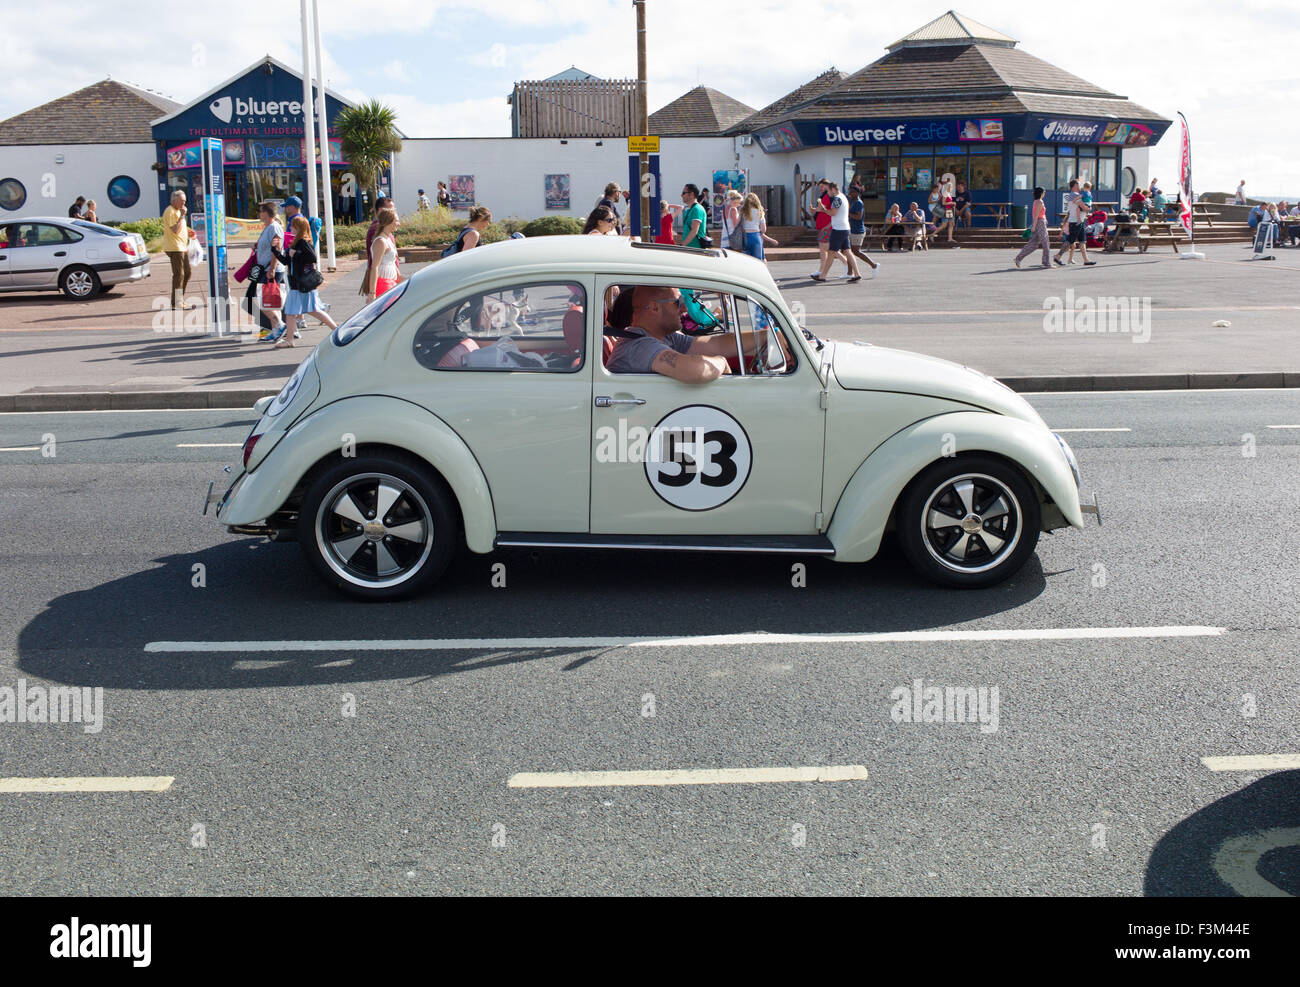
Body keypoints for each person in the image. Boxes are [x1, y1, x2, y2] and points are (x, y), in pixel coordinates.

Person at [606, 285, 771, 381]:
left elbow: (715, 344)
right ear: (655, 308)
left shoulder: (664, 336)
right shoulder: (639, 346)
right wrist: (721, 361)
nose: (684, 308)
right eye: (678, 302)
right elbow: (696, 369)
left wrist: (767, 336)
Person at [270, 215, 338, 348]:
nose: (291, 227)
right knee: (293, 311)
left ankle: (336, 330)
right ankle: (290, 339)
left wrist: (295, 254)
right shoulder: (297, 242)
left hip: (302, 284)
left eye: (293, 225)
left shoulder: (302, 242)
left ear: (299, 227)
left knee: (310, 310)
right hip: (298, 284)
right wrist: (275, 250)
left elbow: (312, 257)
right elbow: (286, 261)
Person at [810, 182, 860, 283]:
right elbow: (836, 214)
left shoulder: (837, 199)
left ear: (833, 189)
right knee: (847, 251)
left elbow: (833, 213)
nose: (827, 192)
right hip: (845, 228)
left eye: (828, 190)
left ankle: (823, 276)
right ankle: (857, 274)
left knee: (831, 252)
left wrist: (823, 209)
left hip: (839, 229)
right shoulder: (843, 197)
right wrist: (821, 210)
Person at [357, 194, 394, 297]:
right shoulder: (377, 229)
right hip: (383, 279)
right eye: (391, 209)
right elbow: (375, 265)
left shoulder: (385, 229)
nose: (394, 212)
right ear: (381, 210)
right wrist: (372, 292)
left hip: (389, 277)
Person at [161, 190, 193, 310]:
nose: (184, 204)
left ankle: (178, 300)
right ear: (174, 200)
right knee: (179, 274)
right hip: (175, 247)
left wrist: (188, 232)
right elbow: (175, 229)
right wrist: (182, 216)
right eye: (182, 201)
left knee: (187, 273)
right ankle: (176, 302)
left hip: (181, 246)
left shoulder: (178, 211)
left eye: (185, 201)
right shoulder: (170, 211)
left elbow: (180, 228)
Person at [1054, 180, 1095, 266]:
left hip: (1080, 221)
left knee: (1082, 241)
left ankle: (1086, 260)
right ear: (1075, 185)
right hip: (1075, 221)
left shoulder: (1074, 195)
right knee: (1069, 241)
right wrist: (1089, 208)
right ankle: (1057, 256)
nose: (1081, 186)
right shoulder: (1074, 195)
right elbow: (1083, 207)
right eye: (1079, 184)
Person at [810, 179, 844, 277]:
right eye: (819, 187)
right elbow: (821, 209)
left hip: (827, 226)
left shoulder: (828, 197)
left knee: (826, 248)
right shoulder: (824, 197)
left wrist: (815, 210)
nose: (820, 188)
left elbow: (826, 210)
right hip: (824, 226)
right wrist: (814, 210)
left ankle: (844, 263)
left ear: (827, 186)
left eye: (822, 186)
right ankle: (822, 269)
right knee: (825, 248)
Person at [366, 207, 401, 301]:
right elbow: (375, 267)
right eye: (396, 220)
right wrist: (372, 293)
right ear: (388, 222)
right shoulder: (381, 242)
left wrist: (401, 279)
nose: (399, 223)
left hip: (391, 283)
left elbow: (392, 263)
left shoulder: (388, 239)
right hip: (383, 285)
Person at [1014, 186, 1052, 269]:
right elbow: (1036, 216)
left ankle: (1018, 258)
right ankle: (1047, 263)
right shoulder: (1040, 202)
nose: (1045, 194)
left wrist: (1037, 224)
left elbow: (1037, 215)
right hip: (1040, 223)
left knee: (1033, 244)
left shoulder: (1035, 201)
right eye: (1044, 192)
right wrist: (1034, 226)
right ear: (1041, 193)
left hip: (1039, 223)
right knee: (1046, 243)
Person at [845, 187, 879, 273]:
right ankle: (849, 273)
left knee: (856, 252)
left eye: (851, 192)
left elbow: (858, 217)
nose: (850, 194)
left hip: (858, 231)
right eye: (849, 192)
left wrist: (848, 213)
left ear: (857, 193)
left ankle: (874, 265)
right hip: (852, 230)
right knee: (849, 252)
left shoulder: (859, 203)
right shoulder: (853, 202)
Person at [739, 192, 770, 261]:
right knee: (758, 260)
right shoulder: (760, 212)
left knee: (746, 260)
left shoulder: (743, 212)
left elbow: (740, 225)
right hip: (756, 236)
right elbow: (763, 229)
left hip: (745, 237)